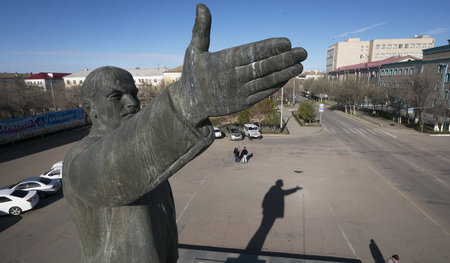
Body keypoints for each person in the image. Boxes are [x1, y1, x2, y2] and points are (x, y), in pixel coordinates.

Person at [63, 4, 306, 263]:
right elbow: (110, 174)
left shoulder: (135, 149)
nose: (132, 102)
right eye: (116, 96)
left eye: (133, 93)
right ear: (91, 109)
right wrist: (186, 100)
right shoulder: (79, 160)